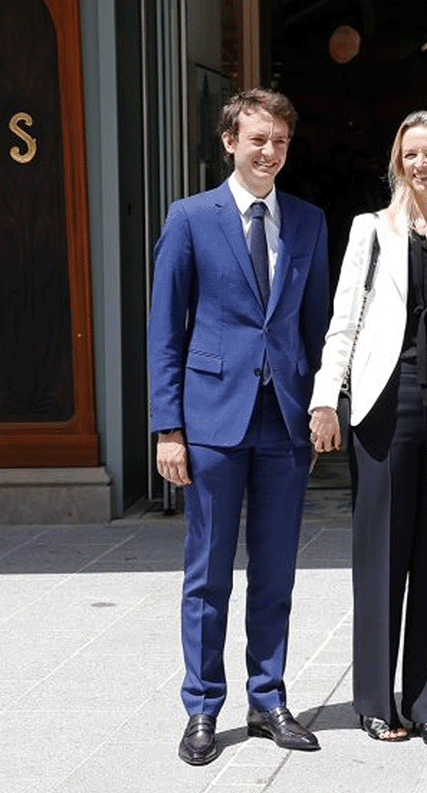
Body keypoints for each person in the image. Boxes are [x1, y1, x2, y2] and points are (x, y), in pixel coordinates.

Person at [147, 88, 330, 765]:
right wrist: (168, 427)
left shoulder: (308, 220)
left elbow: (317, 325)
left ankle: (267, 697)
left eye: (279, 141)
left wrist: (320, 405)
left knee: (276, 570)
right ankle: (202, 705)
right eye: (257, 139)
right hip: (211, 420)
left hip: (284, 421)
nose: (269, 151)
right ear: (230, 142)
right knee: (208, 571)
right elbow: (165, 328)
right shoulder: (191, 218)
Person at [308, 111, 427, 748]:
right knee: (380, 552)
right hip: (384, 400)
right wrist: (325, 399)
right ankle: (374, 701)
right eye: (410, 154)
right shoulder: (370, 230)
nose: (421, 164)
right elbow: (344, 320)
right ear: (398, 162)